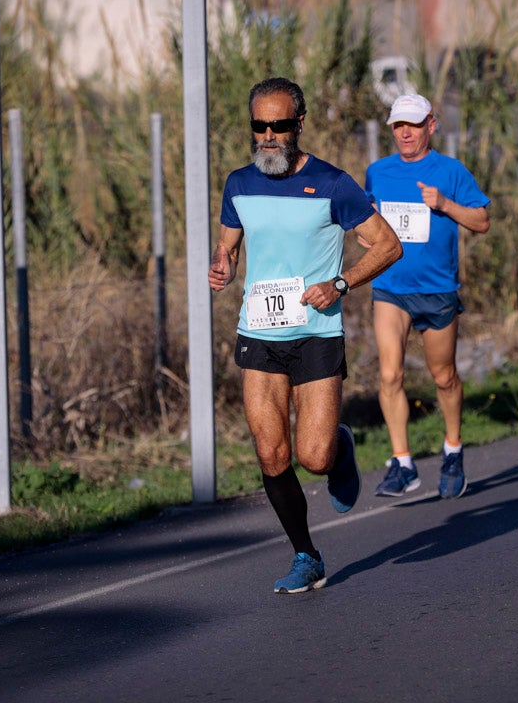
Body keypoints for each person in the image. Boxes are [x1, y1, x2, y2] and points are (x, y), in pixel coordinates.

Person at [209, 77, 402, 591]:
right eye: (259, 127)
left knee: (313, 457)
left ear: (299, 124)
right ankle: (305, 554)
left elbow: (387, 247)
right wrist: (222, 264)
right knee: (271, 453)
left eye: (279, 126)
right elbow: (228, 243)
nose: (268, 137)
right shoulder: (238, 184)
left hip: (316, 333)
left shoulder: (334, 184)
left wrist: (340, 283)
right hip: (260, 333)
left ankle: (339, 447)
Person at [364, 93, 491, 499]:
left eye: (413, 125)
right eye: (398, 125)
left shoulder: (450, 171)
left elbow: (482, 221)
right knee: (389, 374)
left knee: (444, 376)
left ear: (431, 126)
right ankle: (402, 463)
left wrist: (446, 204)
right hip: (391, 289)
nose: (404, 132)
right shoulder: (377, 172)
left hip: (438, 291)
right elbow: (366, 223)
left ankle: (453, 449)